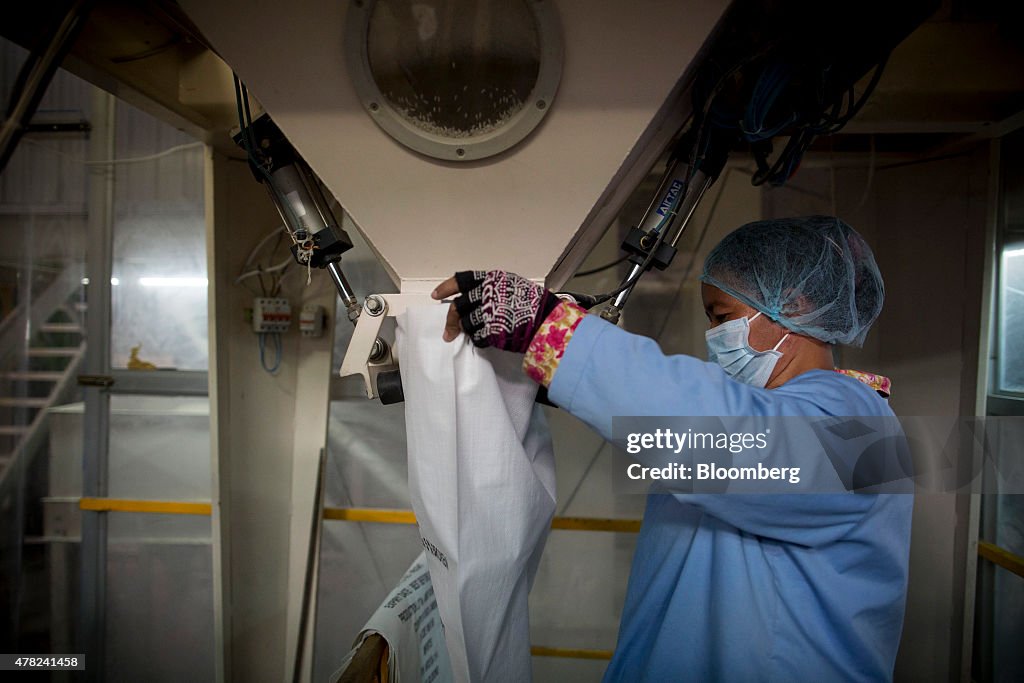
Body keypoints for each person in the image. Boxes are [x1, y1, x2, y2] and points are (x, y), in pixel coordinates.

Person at [432, 216, 912, 682]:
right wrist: (562, 380)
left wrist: (555, 333)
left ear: (797, 303)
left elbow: (724, 440)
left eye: (723, 317)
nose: (713, 336)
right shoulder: (779, 417)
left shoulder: (862, 428)